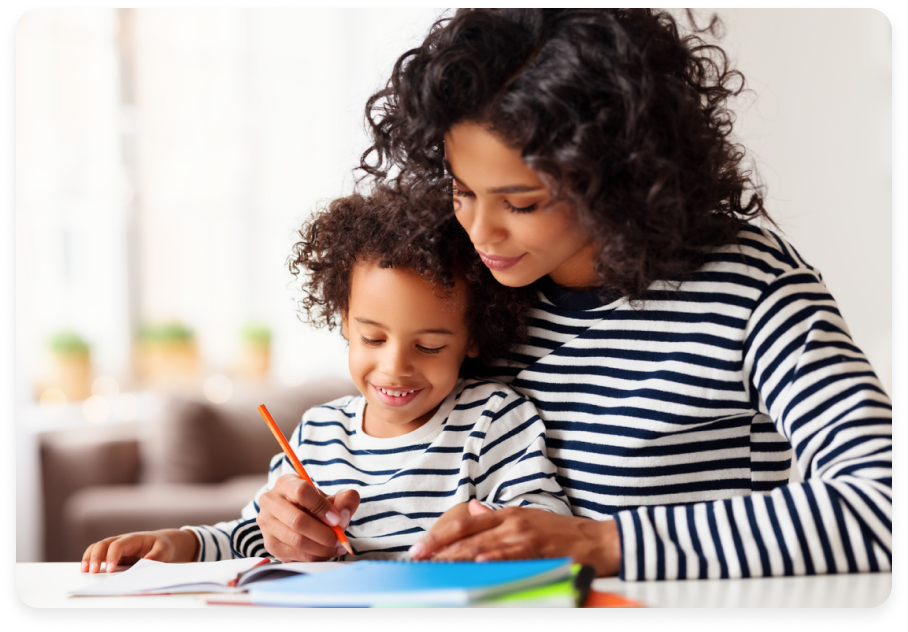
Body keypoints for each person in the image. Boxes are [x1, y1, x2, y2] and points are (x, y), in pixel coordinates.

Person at [350, 7, 893, 580]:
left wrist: (600, 542)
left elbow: (883, 498)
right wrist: (294, 522)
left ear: (616, 173)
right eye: (463, 191)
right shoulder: (465, 285)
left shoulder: (745, 285)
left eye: (522, 203)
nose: (480, 232)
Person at [81, 186, 570, 572]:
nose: (395, 366)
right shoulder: (318, 432)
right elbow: (254, 534)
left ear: (473, 337)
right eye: (373, 339)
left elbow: (548, 525)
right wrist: (179, 543)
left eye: (429, 346)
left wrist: (487, 529)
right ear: (343, 321)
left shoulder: (494, 418)